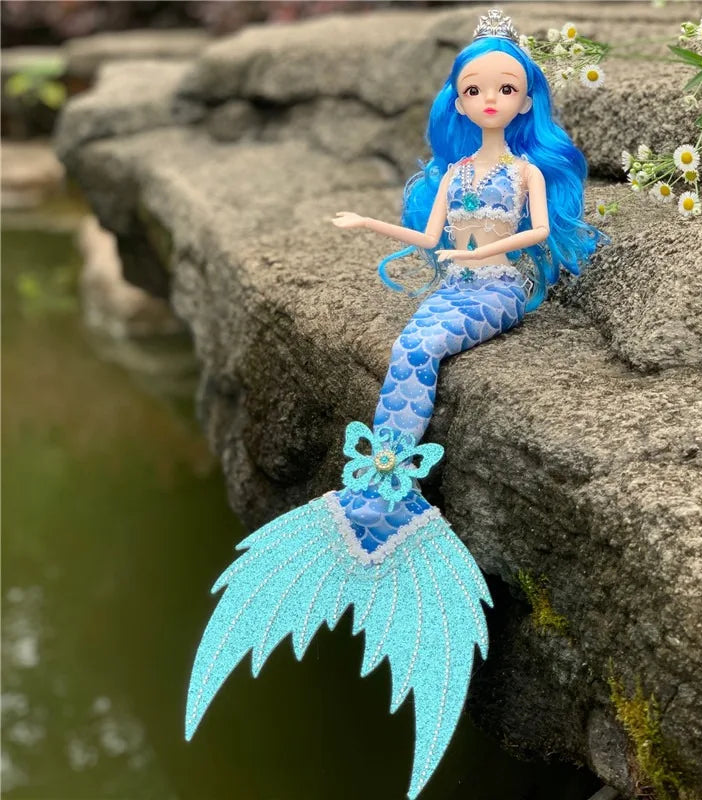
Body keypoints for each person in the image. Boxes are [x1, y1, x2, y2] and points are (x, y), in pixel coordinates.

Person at [185, 10, 604, 799]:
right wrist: (368, 222)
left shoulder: (524, 173)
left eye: (504, 89)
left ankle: (388, 493)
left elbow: (539, 233)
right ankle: (380, 491)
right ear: (458, 98)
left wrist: (491, 249)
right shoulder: (455, 172)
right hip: (453, 284)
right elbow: (430, 238)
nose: (488, 99)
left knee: (424, 348)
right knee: (411, 341)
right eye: (474, 89)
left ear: (525, 100)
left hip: (498, 290)